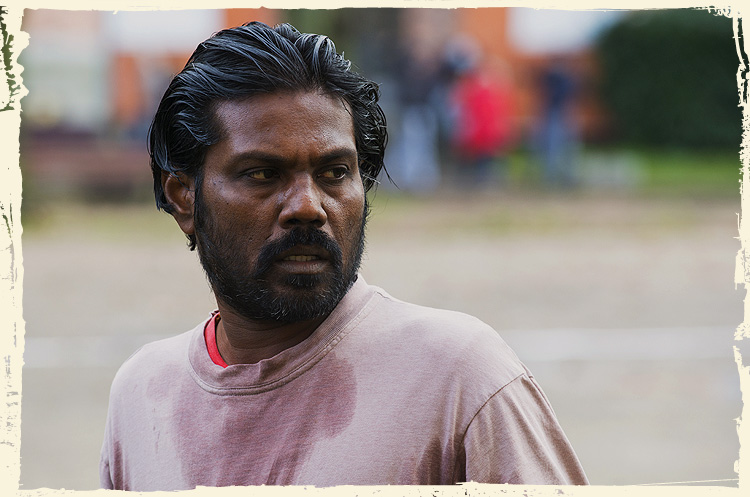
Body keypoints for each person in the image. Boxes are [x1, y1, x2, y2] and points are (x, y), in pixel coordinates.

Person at [99, 22, 588, 490]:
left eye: (334, 172)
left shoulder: (458, 378)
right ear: (184, 198)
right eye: (262, 174)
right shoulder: (143, 395)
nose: (307, 207)